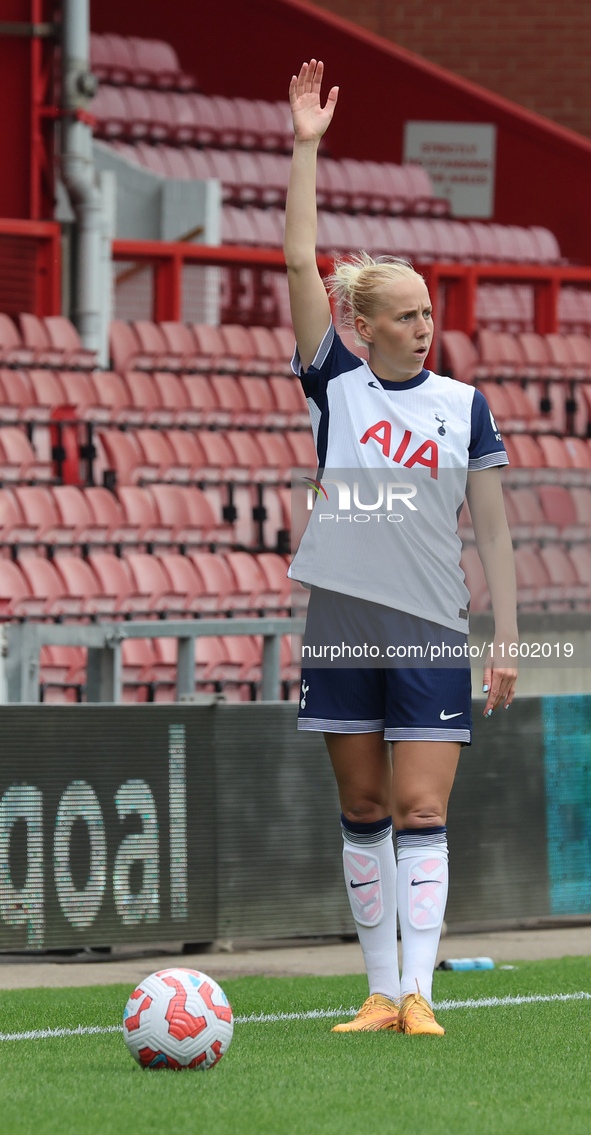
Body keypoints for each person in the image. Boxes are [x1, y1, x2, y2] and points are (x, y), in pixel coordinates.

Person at [284, 60, 518, 1036]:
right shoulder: (335, 382)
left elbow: (495, 528)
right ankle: (378, 990)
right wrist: (306, 147)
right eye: (410, 313)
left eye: (431, 312)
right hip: (341, 617)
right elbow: (301, 262)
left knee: (422, 808)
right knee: (365, 803)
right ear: (363, 325)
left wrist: (506, 638)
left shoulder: (464, 406)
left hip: (429, 623)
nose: (427, 325)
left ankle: (420, 992)